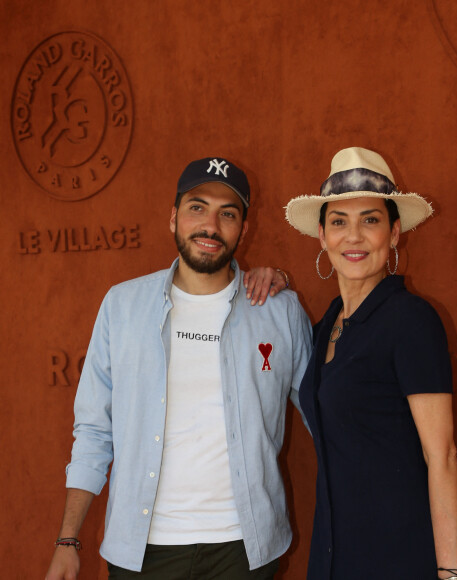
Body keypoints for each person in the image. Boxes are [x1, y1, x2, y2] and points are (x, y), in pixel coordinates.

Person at [45, 156, 312, 580]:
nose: (211, 225)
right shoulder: (122, 307)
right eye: (196, 207)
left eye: (228, 214)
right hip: (143, 553)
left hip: (245, 552)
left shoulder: (280, 312)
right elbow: (94, 431)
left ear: (244, 228)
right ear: (172, 218)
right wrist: (67, 538)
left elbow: (327, 416)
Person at [285, 147, 457, 580]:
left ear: (395, 232)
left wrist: (452, 575)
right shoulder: (328, 322)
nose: (354, 237)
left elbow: (441, 455)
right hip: (332, 553)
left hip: (396, 556)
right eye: (339, 222)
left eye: (370, 220)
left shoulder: (410, 320)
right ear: (322, 236)